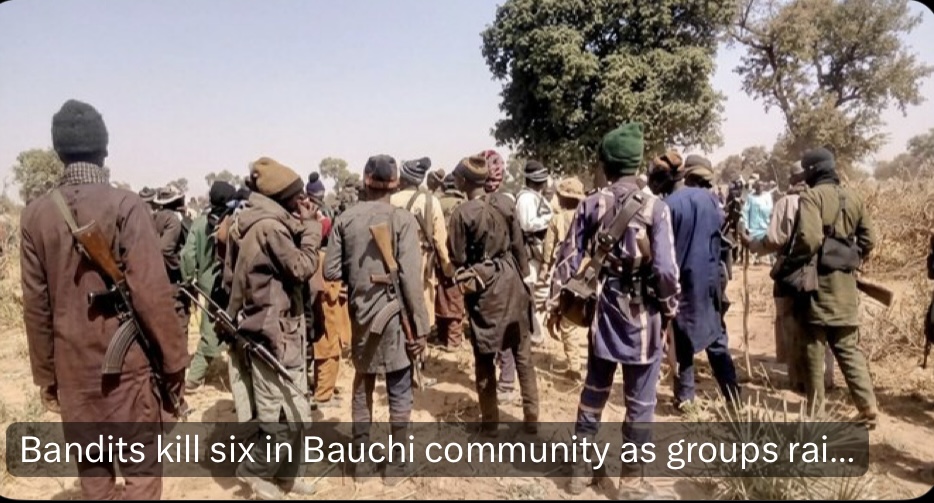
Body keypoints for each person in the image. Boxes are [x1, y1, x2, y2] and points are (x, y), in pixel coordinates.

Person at [20, 99, 189, 500]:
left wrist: (47, 377)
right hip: (128, 373)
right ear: (104, 148)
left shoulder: (35, 216)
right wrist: (174, 364)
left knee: (95, 481)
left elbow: (36, 309)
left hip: (72, 371)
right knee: (142, 476)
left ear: (58, 151)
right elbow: (153, 296)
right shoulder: (126, 205)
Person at [550, 123, 679, 498]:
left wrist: (557, 303)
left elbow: (567, 258)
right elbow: (666, 272)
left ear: (606, 164)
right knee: (641, 401)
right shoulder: (657, 208)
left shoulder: (591, 203)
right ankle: (632, 482)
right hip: (644, 318)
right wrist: (669, 310)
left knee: (594, 390)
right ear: (636, 164)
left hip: (603, 311)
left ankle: (579, 473)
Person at [324, 155, 429, 484]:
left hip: (361, 315)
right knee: (399, 386)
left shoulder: (345, 219)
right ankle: (396, 467)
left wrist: (358, 276)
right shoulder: (403, 220)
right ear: (395, 184)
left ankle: (361, 463)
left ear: (365, 180)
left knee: (362, 384)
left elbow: (330, 270)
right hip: (396, 317)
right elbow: (411, 280)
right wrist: (421, 328)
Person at [224, 157, 321, 499]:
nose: (302, 201)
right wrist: (312, 229)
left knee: (295, 410)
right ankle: (254, 472)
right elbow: (301, 267)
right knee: (278, 417)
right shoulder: (269, 228)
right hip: (272, 336)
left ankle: (288, 476)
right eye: (297, 196)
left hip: (277, 330)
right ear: (283, 198)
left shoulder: (250, 222)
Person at [785, 148, 878, 426]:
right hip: (846, 287)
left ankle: (816, 413)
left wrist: (791, 263)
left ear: (812, 172)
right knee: (848, 348)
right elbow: (869, 239)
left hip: (818, 286)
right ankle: (868, 407)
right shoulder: (854, 197)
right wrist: (848, 256)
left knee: (813, 348)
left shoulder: (811, 197)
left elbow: (809, 239)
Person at [449, 154, 540, 436]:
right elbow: (519, 247)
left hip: (485, 288)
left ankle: (490, 423)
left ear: (465, 181)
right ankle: (532, 417)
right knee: (522, 352)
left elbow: (457, 257)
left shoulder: (462, 214)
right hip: (513, 282)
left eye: (457, 177)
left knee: (485, 356)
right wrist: (525, 280)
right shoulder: (506, 203)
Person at [651, 154, 741, 412]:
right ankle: (733, 398)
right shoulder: (712, 201)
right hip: (710, 281)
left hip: (681, 282)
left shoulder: (666, 206)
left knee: (681, 341)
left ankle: (685, 398)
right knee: (716, 338)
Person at [743, 163, 834, 392]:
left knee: (791, 324)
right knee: (821, 325)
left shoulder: (786, 203)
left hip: (793, 274)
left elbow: (775, 240)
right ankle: (825, 379)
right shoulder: (828, 199)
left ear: (792, 179)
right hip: (824, 273)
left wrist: (751, 244)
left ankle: (799, 380)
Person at [390, 157, 453, 383]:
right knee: (420, 313)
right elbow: (440, 240)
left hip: (392, 263)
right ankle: (418, 369)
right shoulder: (430, 201)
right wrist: (447, 267)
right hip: (421, 265)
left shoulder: (390, 200)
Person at [180, 180, 237, 392]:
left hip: (207, 283)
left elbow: (187, 255)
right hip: (231, 283)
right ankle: (197, 378)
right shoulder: (233, 221)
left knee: (210, 327)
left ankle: (194, 379)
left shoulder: (199, 223)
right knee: (225, 328)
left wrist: (189, 279)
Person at [306, 171, 350, 409]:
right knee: (329, 348)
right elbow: (328, 291)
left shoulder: (313, 255)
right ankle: (323, 395)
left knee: (326, 348)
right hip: (327, 314)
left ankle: (324, 389)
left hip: (321, 313)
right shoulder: (323, 259)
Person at [542, 177, 586, 378]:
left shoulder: (557, 219)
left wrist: (545, 268)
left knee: (568, 322)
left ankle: (574, 367)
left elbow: (548, 249)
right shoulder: (587, 216)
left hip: (565, 274)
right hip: (587, 272)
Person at [515, 160, 554, 345]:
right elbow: (527, 224)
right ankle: (534, 333)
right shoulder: (525, 199)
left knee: (541, 292)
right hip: (530, 249)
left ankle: (537, 330)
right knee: (530, 290)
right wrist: (549, 220)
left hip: (540, 250)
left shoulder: (537, 197)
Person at [152, 185, 191, 337]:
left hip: (157, 278)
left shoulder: (155, 217)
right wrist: (179, 268)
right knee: (180, 322)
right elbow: (165, 250)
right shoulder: (174, 220)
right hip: (173, 281)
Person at [436, 172, 468, 351]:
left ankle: (442, 336)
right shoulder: (463, 204)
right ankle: (453, 341)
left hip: (437, 257)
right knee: (455, 297)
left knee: (441, 295)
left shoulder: (436, 202)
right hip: (457, 258)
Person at [743, 180, 774, 265]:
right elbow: (745, 211)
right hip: (753, 226)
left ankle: (763, 259)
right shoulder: (750, 197)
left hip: (764, 225)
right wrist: (746, 225)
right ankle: (753, 259)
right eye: (758, 186)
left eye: (761, 186)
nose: (760, 188)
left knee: (765, 242)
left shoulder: (767, 196)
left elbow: (770, 209)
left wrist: (763, 210)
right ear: (755, 187)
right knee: (753, 243)